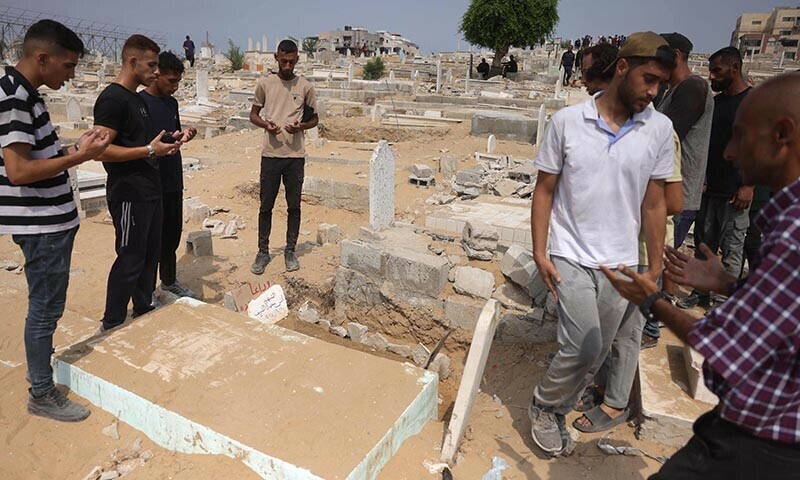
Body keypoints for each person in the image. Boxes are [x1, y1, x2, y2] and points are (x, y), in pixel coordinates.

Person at [602, 72, 800, 480]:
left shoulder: (795, 231)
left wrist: (652, 301)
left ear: (782, 135)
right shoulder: (786, 216)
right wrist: (729, 285)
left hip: (762, 443)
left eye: (740, 136)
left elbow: (733, 350)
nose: (728, 151)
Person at [528, 32, 675, 456]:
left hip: (622, 261)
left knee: (600, 348)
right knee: (584, 344)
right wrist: (541, 251)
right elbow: (545, 190)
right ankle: (544, 405)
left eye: (661, 84)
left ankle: (563, 400)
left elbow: (653, 202)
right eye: (648, 79)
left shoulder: (658, 129)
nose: (653, 92)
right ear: (624, 68)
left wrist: (652, 268)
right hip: (570, 252)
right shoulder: (568, 123)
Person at [1, 20, 110, 421]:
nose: (71, 75)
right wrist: (79, 158)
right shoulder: (14, 97)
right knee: (45, 309)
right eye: (67, 66)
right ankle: (42, 393)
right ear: (42, 58)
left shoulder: (24, 94)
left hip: (50, 220)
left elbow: (37, 157)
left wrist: (75, 147)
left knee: (48, 306)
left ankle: (41, 382)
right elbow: (18, 171)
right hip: (41, 224)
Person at [93, 35, 182, 332]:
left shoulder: (135, 99)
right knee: (130, 258)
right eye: (152, 64)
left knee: (150, 255)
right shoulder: (112, 99)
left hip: (151, 189)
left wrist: (165, 144)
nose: (156, 72)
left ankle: (143, 307)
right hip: (129, 192)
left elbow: (146, 143)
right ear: (133, 62)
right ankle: (112, 322)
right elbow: (101, 150)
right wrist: (148, 151)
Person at [642, 33, 714, 347]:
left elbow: (661, 136)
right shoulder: (674, 89)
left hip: (676, 190)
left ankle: (650, 328)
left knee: (659, 256)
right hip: (666, 187)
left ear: (676, 55)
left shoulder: (693, 89)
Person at [677, 47, 752, 311]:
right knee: (703, 244)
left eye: (717, 71)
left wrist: (748, 185)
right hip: (710, 188)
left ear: (735, 68)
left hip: (736, 192)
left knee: (732, 249)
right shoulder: (716, 103)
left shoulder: (752, 102)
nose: (711, 76)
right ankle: (700, 292)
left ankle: (723, 302)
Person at [248, 39, 318, 274]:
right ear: (276, 58)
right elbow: (253, 114)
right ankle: (262, 252)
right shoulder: (265, 84)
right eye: (283, 60)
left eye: (291, 61)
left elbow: (314, 119)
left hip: (295, 156)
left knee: (294, 206)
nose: (287, 65)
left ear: (297, 59)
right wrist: (266, 125)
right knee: (265, 206)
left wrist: (302, 127)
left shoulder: (306, 87)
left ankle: (290, 250)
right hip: (271, 155)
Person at [139, 51, 198, 299]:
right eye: (171, 81)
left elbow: (170, 134)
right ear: (156, 75)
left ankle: (169, 280)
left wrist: (182, 136)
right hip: (150, 180)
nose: (175, 87)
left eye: (178, 82)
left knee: (171, 234)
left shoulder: (171, 103)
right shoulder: (138, 103)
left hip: (173, 177)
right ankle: (146, 290)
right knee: (150, 238)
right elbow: (141, 144)